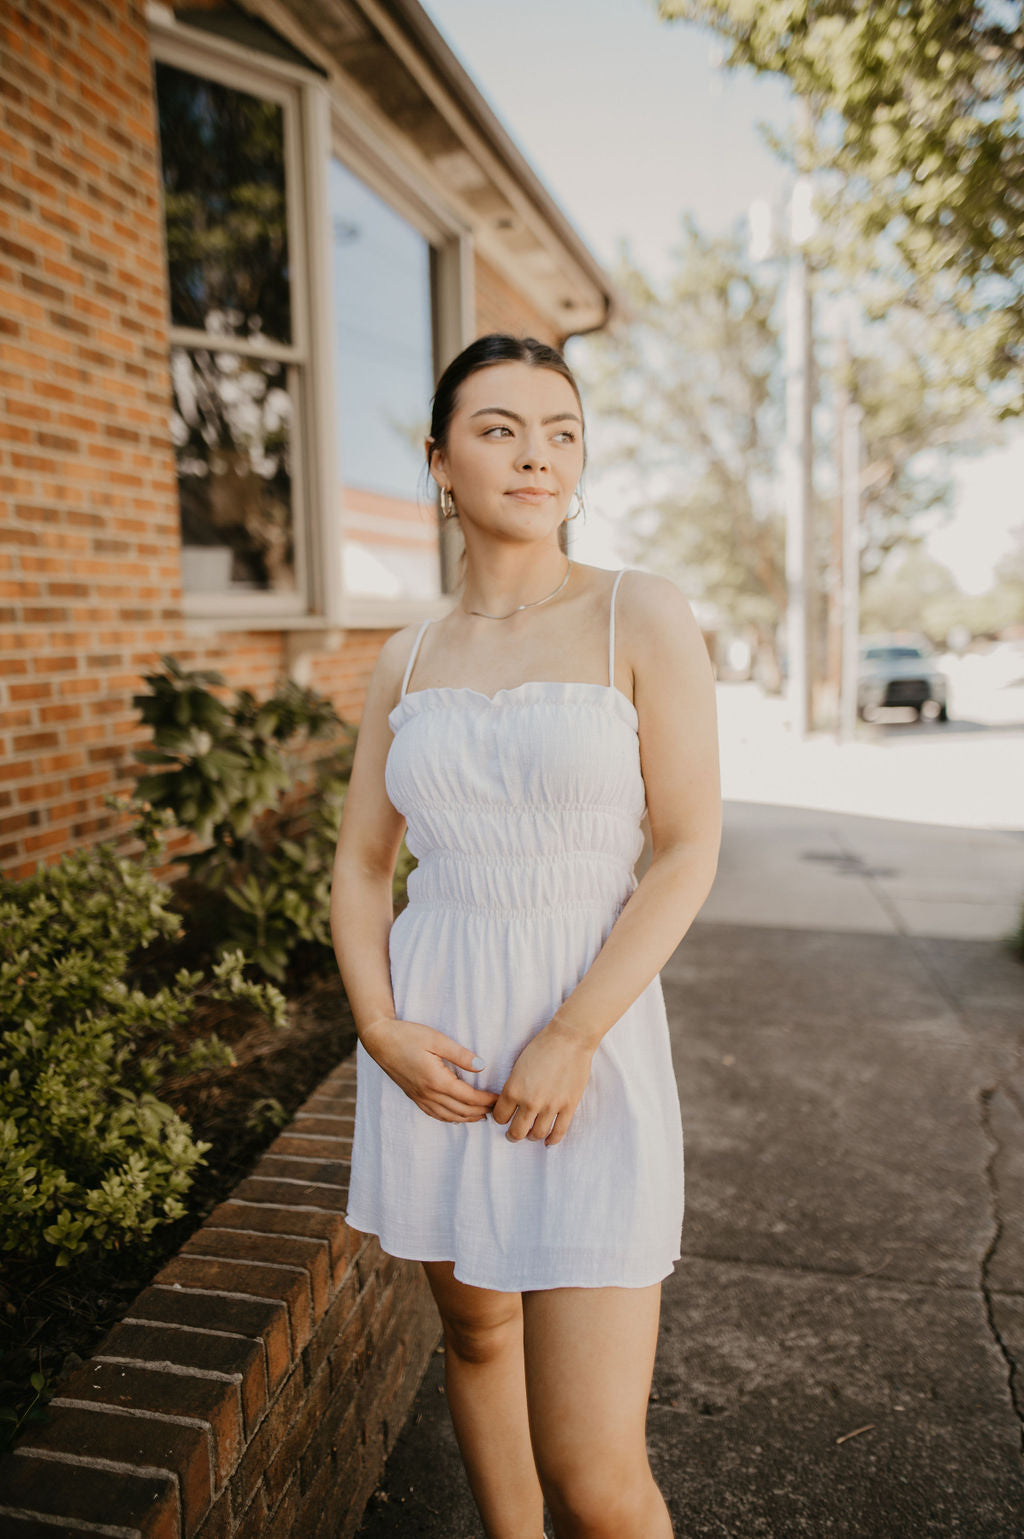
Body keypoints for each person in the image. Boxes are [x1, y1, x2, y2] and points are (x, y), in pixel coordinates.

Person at [330, 333, 721, 1539]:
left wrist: (571, 1033)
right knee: (474, 1330)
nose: (536, 454)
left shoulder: (634, 613)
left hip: (585, 1055)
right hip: (438, 1049)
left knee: (597, 1474)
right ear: (440, 462)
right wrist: (380, 1029)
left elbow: (689, 847)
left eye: (561, 431)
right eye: (498, 429)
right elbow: (358, 863)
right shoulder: (407, 656)